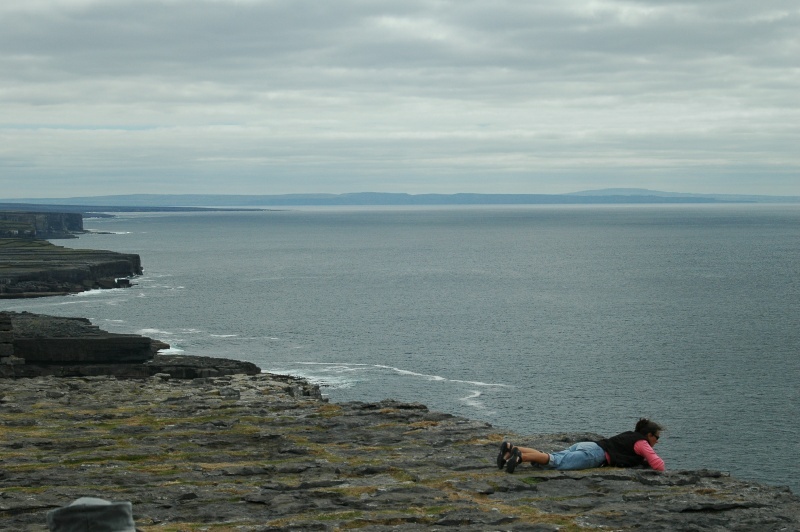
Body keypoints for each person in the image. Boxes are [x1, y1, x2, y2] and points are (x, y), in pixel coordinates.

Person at [498, 418, 665, 473]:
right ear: (649, 435)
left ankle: (511, 449)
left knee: (553, 457)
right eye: (656, 437)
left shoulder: (630, 435)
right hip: (595, 456)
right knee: (555, 460)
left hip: (589, 446)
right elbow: (658, 465)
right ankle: (521, 457)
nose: (657, 441)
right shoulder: (642, 443)